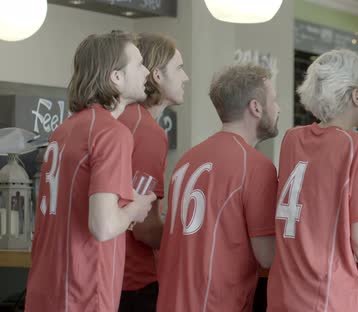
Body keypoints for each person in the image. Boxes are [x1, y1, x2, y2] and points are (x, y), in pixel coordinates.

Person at [25, 31, 155, 312]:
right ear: (116, 77)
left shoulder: (64, 130)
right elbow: (103, 226)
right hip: (83, 293)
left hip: (46, 290)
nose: (147, 72)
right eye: (139, 64)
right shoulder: (111, 133)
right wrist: (135, 209)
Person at [266, 49, 358, 312]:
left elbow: (316, 221)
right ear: (356, 95)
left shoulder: (291, 139)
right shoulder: (357, 145)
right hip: (329, 295)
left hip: (283, 291)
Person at [156, 64, 280, 312]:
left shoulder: (187, 159)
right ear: (255, 107)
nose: (279, 108)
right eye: (274, 100)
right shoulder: (256, 166)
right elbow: (268, 256)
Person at [117, 33, 189, 312]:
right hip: (132, 283)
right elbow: (145, 229)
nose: (186, 78)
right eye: (179, 69)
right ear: (157, 75)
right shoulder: (147, 131)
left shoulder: (123, 119)